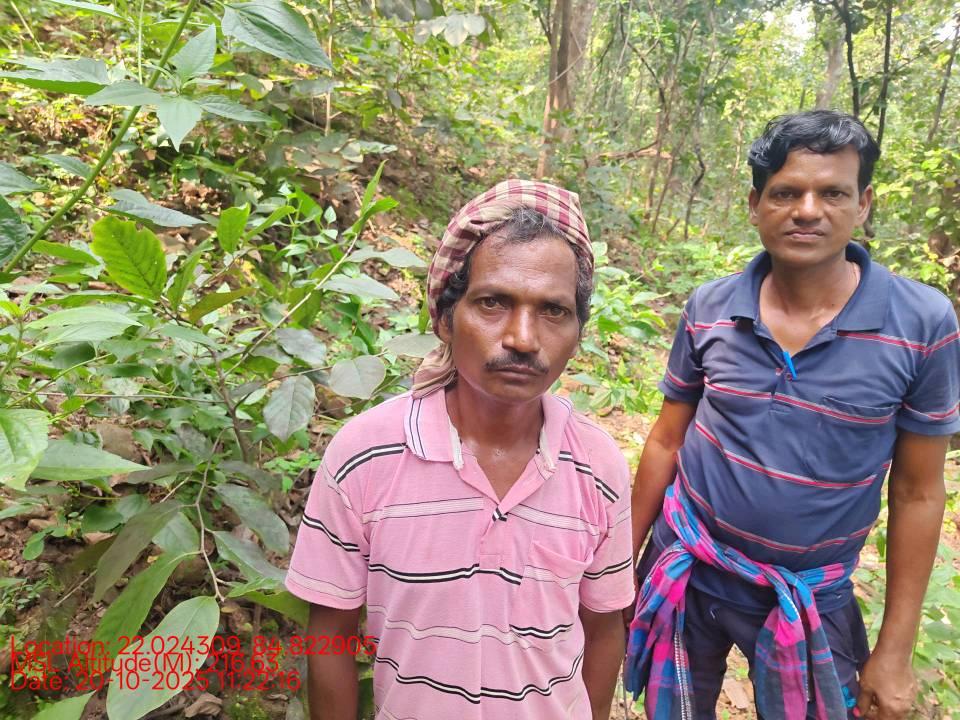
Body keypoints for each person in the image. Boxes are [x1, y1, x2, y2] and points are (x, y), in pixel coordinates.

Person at [625, 110, 960, 720]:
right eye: (785, 193)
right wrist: (621, 566)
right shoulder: (710, 307)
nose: (807, 210)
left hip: (811, 593)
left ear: (863, 204)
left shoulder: (922, 323)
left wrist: (895, 650)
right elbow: (667, 441)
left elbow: (917, 491)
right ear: (756, 205)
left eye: (832, 193)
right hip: (689, 565)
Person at [286, 180, 635, 720]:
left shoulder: (598, 464)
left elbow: (603, 627)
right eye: (493, 303)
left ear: (578, 331)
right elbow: (330, 632)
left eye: (553, 310)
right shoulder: (365, 455)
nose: (522, 338)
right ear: (445, 319)